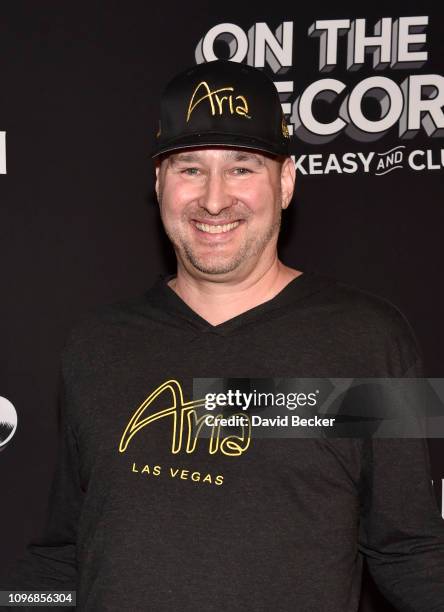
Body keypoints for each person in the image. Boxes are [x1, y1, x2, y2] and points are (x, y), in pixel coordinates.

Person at [5, 59, 444, 611]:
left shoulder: (371, 336)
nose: (214, 199)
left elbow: (411, 551)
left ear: (285, 182)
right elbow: (62, 553)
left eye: (242, 168)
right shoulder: (96, 342)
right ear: (159, 182)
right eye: (190, 168)